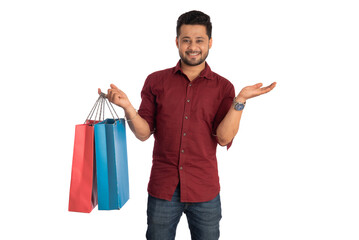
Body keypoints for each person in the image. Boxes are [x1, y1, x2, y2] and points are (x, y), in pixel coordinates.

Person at [99, 10, 276, 240]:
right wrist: (128, 107)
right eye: (186, 40)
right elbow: (143, 134)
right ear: (177, 42)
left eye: (200, 40)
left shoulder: (224, 87)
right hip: (163, 189)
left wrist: (239, 101)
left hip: (205, 190)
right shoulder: (156, 81)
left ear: (210, 42)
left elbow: (223, 138)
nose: (193, 47)